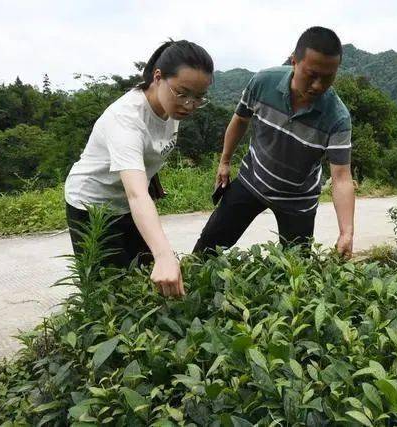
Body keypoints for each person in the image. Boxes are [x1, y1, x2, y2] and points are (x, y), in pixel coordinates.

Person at [65, 40, 213, 298]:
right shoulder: (126, 119)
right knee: (106, 291)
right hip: (92, 205)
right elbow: (136, 194)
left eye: (198, 98)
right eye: (183, 93)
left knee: (144, 277)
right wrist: (165, 254)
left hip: (129, 205)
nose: (189, 105)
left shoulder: (171, 109)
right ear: (158, 77)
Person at [193, 27, 355, 257]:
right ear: (294, 61)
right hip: (252, 180)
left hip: (299, 200)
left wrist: (346, 231)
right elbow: (240, 119)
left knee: (294, 271)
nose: (318, 85)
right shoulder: (263, 82)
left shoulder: (337, 117)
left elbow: (341, 178)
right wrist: (225, 161)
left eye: (328, 78)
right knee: (208, 248)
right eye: (311, 74)